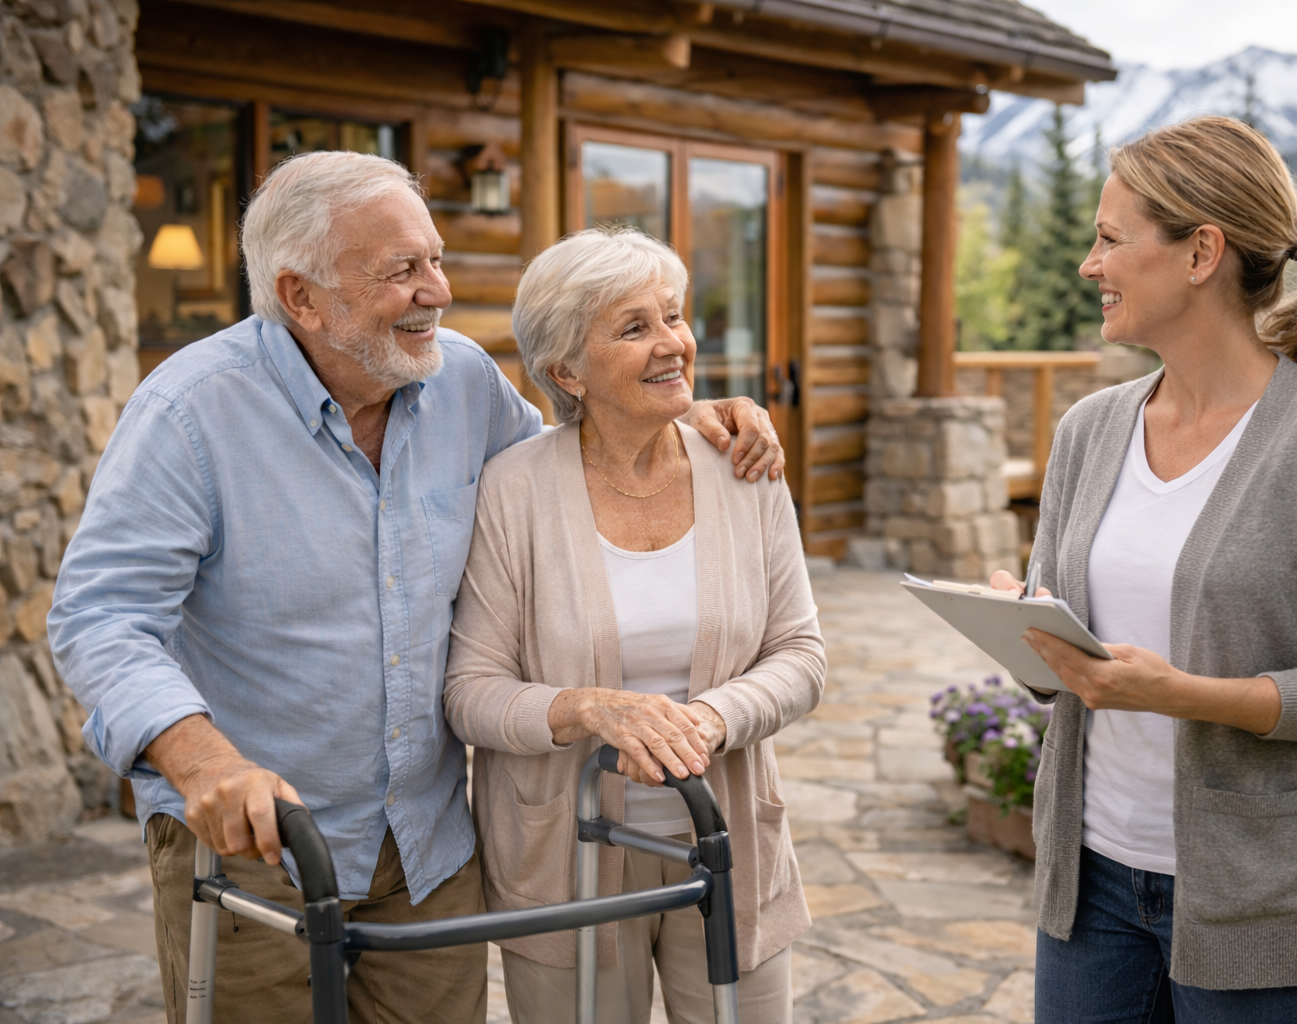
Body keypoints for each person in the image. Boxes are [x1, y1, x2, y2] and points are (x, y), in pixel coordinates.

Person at [47, 152, 784, 1024]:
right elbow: (100, 616)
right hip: (258, 841)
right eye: (402, 270)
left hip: (427, 847)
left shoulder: (464, 381)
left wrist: (684, 415)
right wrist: (203, 760)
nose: (436, 289)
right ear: (302, 296)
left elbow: (573, 463)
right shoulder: (189, 414)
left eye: (436, 259)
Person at [990, 116, 1297, 1023]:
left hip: (1264, 903)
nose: (1088, 264)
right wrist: (1028, 636)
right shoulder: (1089, 429)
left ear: (1201, 253)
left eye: (1110, 239)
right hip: (1092, 889)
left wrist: (1185, 693)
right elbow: (1075, 668)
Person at [443, 226, 825, 1024]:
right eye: (634, 327)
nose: (672, 344)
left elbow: (800, 654)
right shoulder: (512, 491)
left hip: (728, 845)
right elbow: (470, 691)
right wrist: (587, 708)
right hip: (563, 859)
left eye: (675, 317)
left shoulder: (745, 467)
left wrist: (709, 722)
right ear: (565, 372)